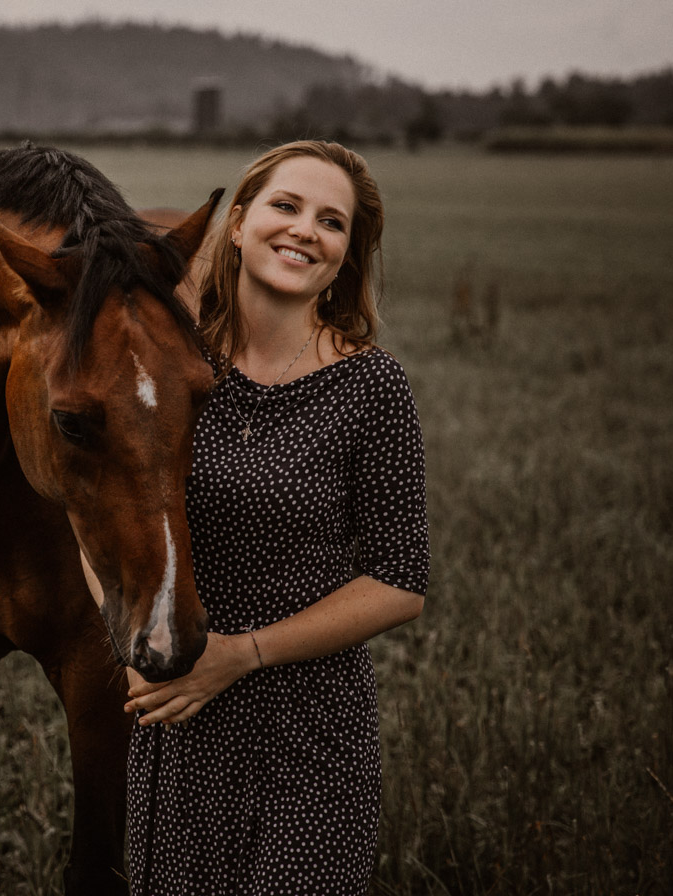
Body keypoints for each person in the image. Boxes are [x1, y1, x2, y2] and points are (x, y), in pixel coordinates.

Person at [82, 139, 430, 894]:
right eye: (286, 205)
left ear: (346, 257)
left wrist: (243, 654)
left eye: (332, 222)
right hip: (180, 726)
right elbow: (100, 509)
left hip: (310, 738)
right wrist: (135, 640)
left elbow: (400, 581)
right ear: (236, 225)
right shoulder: (170, 368)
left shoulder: (372, 387)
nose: (306, 229)